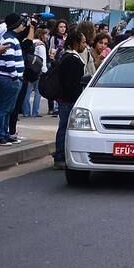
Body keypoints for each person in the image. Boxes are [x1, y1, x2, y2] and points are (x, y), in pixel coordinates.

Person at [52, 31, 89, 169]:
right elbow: (70, 83)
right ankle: (60, 155)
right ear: (76, 42)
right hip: (69, 100)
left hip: (67, 99)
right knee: (64, 128)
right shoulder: (71, 59)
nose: (85, 45)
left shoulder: (68, 56)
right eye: (83, 42)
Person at [0, 15, 28, 148]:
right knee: (5, 108)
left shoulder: (10, 38)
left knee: (8, 108)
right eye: (21, 23)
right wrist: (15, 75)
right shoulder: (9, 39)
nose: (23, 26)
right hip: (9, 78)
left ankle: (5, 133)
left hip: (10, 77)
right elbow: (9, 59)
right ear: (15, 25)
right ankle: (0, 135)